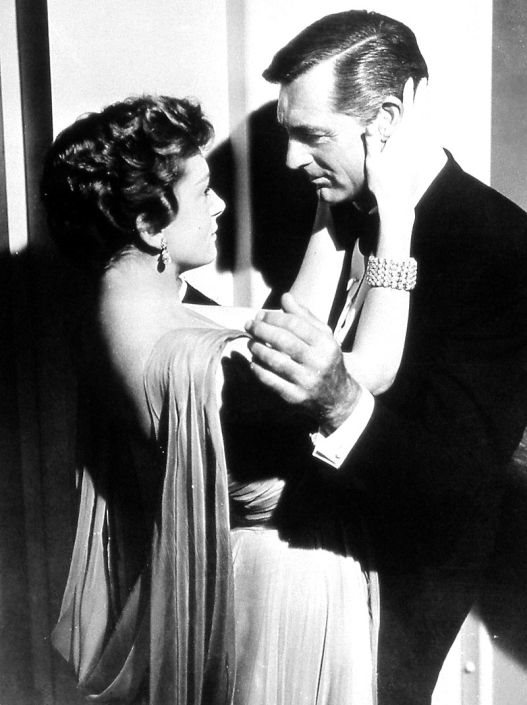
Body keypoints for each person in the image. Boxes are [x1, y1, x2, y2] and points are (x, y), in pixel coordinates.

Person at [41, 93, 421, 704]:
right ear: (150, 227)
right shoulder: (203, 364)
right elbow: (369, 372)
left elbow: (278, 328)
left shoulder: (116, 318)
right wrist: (398, 219)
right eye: (203, 193)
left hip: (237, 582)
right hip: (289, 595)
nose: (219, 204)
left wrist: (330, 211)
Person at [244, 9, 527, 705]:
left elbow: (460, 483)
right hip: (295, 567)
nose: (289, 160)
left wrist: (340, 402)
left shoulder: (499, 243)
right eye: (287, 134)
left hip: (399, 589)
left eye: (312, 135)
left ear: (388, 117)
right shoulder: (332, 209)